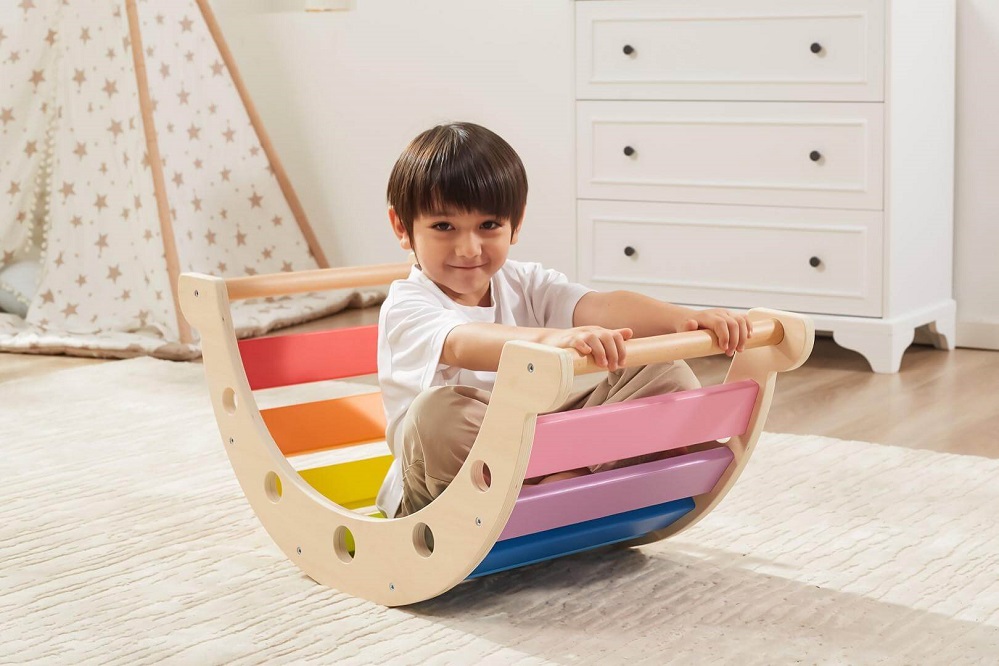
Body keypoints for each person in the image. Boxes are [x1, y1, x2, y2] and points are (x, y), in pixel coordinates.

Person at [375, 122, 752, 519]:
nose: (469, 248)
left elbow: (600, 306)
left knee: (664, 372)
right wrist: (551, 341)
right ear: (403, 228)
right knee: (436, 414)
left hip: (536, 453)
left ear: (516, 223)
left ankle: (569, 486)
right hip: (446, 485)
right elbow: (462, 342)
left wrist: (684, 318)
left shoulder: (525, 281)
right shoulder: (407, 304)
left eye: (488, 226)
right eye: (443, 227)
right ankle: (561, 489)